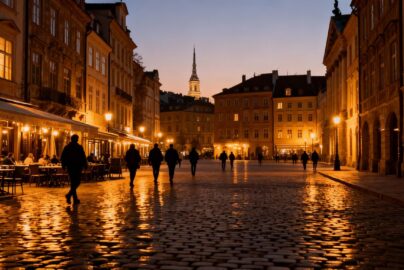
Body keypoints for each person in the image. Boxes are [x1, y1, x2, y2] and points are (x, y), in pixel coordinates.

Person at [61, 134, 87, 204]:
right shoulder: (79, 147)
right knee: (77, 182)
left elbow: (63, 157)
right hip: (77, 167)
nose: (77, 140)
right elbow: (83, 156)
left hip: (71, 167)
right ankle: (70, 196)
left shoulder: (67, 147)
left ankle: (72, 197)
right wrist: (85, 165)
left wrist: (64, 165)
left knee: (73, 183)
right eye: (77, 139)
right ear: (75, 139)